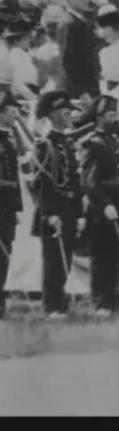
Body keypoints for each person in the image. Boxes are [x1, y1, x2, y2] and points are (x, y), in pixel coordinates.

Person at [31, 90, 85, 318]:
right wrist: (50, 213)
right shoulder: (45, 144)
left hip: (70, 207)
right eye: (65, 112)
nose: (70, 116)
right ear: (53, 115)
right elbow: (41, 184)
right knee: (53, 258)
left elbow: (75, 180)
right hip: (53, 210)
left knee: (67, 256)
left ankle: (60, 301)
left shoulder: (68, 142)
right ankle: (51, 304)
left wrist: (80, 212)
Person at [81, 95, 119, 317]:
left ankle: (113, 298)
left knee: (115, 253)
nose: (115, 118)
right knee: (100, 255)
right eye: (110, 115)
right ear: (99, 117)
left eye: (116, 114)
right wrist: (105, 203)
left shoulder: (114, 141)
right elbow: (88, 181)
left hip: (118, 202)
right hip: (101, 205)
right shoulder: (92, 143)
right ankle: (100, 301)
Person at [57, 0, 100, 98]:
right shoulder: (68, 23)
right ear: (70, 0)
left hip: (90, 84)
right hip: (78, 89)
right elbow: (68, 62)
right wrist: (81, 91)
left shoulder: (82, 21)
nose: (86, 1)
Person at [0, 90, 23, 318]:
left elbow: (14, 178)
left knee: (5, 255)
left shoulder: (8, 140)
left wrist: (16, 207)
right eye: (13, 112)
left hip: (7, 208)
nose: (16, 116)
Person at [4, 18, 39, 100]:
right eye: (26, 38)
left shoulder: (27, 54)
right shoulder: (14, 56)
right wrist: (33, 97)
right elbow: (18, 83)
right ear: (16, 41)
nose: (30, 40)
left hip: (33, 91)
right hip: (24, 96)